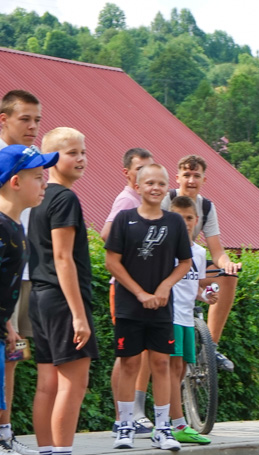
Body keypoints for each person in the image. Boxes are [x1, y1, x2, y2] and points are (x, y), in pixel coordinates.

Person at [28, 127, 104, 455]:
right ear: (53, 158)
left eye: (83, 151)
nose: (81, 158)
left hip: (39, 298)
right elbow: (63, 258)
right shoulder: (65, 200)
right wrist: (78, 313)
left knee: (48, 386)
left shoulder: (38, 197)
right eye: (72, 152)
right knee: (73, 385)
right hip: (61, 300)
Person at [105, 163, 192, 451]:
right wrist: (140, 293)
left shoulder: (175, 222)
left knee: (161, 364)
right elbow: (112, 262)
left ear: (168, 187)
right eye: (149, 183)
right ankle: (126, 424)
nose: (155, 188)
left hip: (162, 308)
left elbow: (185, 263)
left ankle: (163, 427)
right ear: (138, 186)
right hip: (130, 306)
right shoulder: (124, 219)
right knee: (129, 363)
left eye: (161, 183)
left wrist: (165, 287)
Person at [0, 144, 57, 455]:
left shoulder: (14, 225)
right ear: (16, 181)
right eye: (38, 176)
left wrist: (6, 323)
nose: (45, 182)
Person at [160, 155, 240, 372]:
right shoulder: (167, 200)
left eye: (196, 176)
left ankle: (210, 346)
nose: (191, 180)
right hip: (166, 263)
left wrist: (228, 264)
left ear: (204, 179)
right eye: (187, 175)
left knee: (229, 277)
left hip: (190, 263)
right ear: (177, 178)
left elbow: (216, 249)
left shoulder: (206, 206)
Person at [102, 148, 157, 437]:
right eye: (140, 169)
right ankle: (120, 416)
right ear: (127, 173)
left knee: (144, 353)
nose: (145, 175)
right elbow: (106, 234)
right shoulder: (126, 199)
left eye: (150, 169)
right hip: (126, 289)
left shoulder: (147, 201)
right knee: (127, 355)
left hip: (147, 290)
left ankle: (135, 413)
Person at [0, 90, 42, 455]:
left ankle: (6, 435)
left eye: (36, 121)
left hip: (21, 273)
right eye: (25, 119)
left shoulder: (31, 165)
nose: (32, 127)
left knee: (11, 356)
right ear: (4, 119)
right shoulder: (6, 165)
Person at [167, 195, 217, 444]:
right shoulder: (167, 247)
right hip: (171, 316)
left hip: (188, 317)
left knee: (181, 370)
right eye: (179, 217)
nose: (185, 223)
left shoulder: (198, 253)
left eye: (189, 218)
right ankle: (176, 424)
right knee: (173, 368)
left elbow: (194, 287)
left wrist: (206, 297)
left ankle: (168, 420)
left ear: (197, 221)